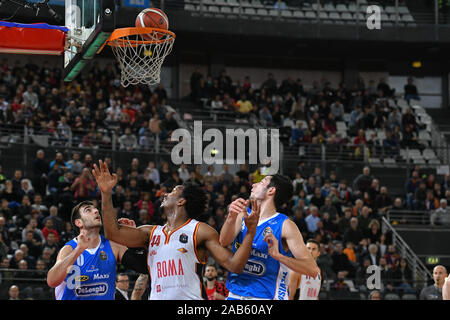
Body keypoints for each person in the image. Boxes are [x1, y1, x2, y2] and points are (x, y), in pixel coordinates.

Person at [92, 160, 259, 300]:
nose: (165, 194)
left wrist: (250, 233)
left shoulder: (200, 231)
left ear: (181, 201)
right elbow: (112, 233)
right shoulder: (151, 232)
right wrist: (106, 193)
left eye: (172, 191)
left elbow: (235, 265)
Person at [220, 174, 320, 300]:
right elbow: (223, 241)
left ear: (271, 190)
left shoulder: (285, 225)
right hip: (234, 294)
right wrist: (231, 217)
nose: (253, 185)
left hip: (267, 297)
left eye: (261, 182)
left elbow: (312, 270)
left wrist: (278, 256)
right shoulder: (242, 215)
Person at [46, 200, 128, 300]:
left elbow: (142, 264)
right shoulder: (69, 249)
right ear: (79, 222)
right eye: (88, 210)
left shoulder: (113, 246)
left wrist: (131, 236)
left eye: (96, 209)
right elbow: (51, 281)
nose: (96, 211)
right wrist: (78, 250)